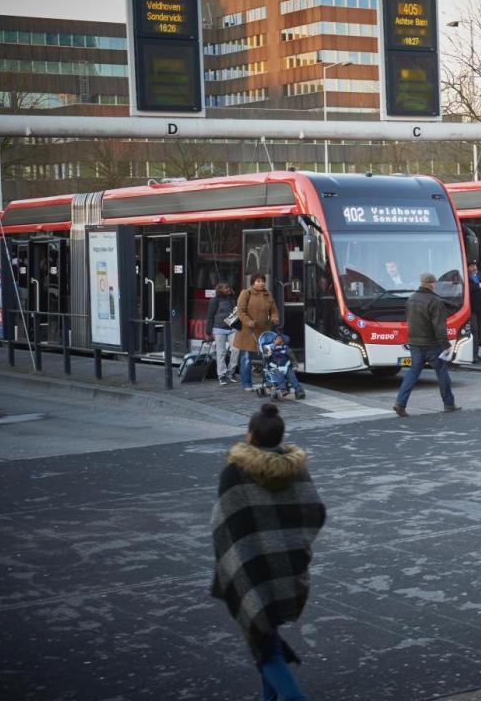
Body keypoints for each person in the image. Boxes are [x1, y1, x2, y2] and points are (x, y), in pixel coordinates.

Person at [210, 403, 326, 701]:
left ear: (249, 436)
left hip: (251, 567)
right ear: (280, 436)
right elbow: (315, 511)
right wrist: (294, 541)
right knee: (266, 637)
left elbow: (224, 521)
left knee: (265, 647)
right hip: (289, 564)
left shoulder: (235, 473)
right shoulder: (297, 471)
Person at [392, 273, 459, 417]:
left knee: (412, 373)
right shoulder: (435, 301)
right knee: (442, 372)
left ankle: (400, 403)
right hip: (432, 344)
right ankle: (449, 404)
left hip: (415, 343)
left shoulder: (411, 299)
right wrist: (445, 344)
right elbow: (439, 327)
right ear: (432, 284)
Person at [233, 273, 279, 393]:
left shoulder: (268, 294)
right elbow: (241, 311)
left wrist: (274, 317)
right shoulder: (246, 293)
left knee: (267, 359)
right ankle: (246, 384)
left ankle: (268, 383)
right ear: (253, 283)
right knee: (246, 359)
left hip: (265, 332)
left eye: (263, 281)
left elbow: (274, 310)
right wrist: (248, 322)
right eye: (258, 281)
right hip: (248, 332)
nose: (261, 283)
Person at [206, 282, 240, 386]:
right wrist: (208, 332)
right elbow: (210, 316)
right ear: (220, 290)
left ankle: (231, 372)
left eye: (229, 287)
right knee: (221, 352)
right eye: (226, 288)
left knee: (236, 350)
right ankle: (222, 375)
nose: (228, 289)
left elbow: (237, 313)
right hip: (219, 328)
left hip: (232, 328)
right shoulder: (215, 300)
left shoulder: (233, 299)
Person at [261, 333, 305, 400]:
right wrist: (267, 354)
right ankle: (283, 389)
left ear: (283, 342)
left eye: (279, 339)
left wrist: (295, 366)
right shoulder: (269, 348)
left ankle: (299, 390)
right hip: (274, 367)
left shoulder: (286, 349)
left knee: (292, 377)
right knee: (279, 375)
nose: (277, 340)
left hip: (285, 367)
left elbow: (293, 359)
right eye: (276, 339)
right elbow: (266, 359)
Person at [467, 261, 481, 364]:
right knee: (474, 330)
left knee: (479, 331)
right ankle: (472, 354)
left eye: (474, 266)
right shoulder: (466, 277)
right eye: (471, 266)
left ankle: (476, 353)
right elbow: (467, 290)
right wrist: (477, 286)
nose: (473, 268)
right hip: (471, 308)